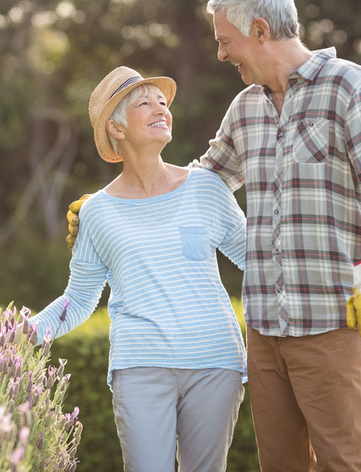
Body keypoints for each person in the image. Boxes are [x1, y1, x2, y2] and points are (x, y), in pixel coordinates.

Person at [67, 0, 361, 471]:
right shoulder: (246, 108)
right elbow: (200, 179)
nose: (220, 54)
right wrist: (114, 202)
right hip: (265, 332)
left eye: (224, 40)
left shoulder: (348, 87)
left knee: (344, 463)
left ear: (259, 31)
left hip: (329, 325)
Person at [30, 66, 248, 472]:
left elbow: (258, 258)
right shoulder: (96, 211)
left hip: (215, 362)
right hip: (140, 367)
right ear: (116, 127)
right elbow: (78, 299)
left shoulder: (206, 187)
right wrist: (25, 332)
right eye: (144, 103)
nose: (160, 109)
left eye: (163, 102)